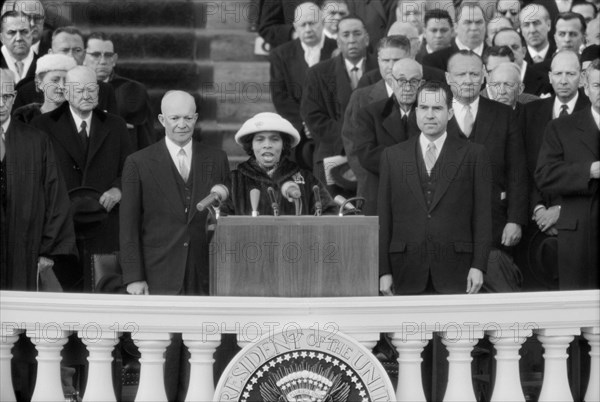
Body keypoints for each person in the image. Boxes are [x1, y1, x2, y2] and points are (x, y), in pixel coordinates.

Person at [120, 90, 229, 400]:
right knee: (162, 360)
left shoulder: (216, 158)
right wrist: (134, 276)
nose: (182, 124)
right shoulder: (138, 162)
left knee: (202, 356)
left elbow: (224, 216)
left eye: (188, 118)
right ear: (161, 120)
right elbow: (128, 226)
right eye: (175, 118)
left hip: (203, 272)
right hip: (157, 273)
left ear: (196, 118)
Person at [378, 80, 492, 295]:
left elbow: (483, 216)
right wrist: (383, 271)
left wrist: (479, 265)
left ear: (449, 113)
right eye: (424, 108)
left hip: (458, 269)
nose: (430, 115)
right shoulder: (392, 156)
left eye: (437, 108)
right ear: (416, 111)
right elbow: (384, 217)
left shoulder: (474, 155)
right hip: (405, 268)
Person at [32, 66, 132, 291]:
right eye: (78, 90)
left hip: (104, 224)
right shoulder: (43, 126)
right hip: (62, 227)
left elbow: (130, 169)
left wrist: (118, 189)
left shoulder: (115, 125)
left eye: (91, 89)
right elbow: (35, 179)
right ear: (66, 93)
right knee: (65, 301)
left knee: (104, 294)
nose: (86, 95)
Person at [0, 67, 76, 291]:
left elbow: (55, 198)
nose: (1, 104)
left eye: (5, 97)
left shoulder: (36, 141)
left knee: (21, 321)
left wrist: (47, 251)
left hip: (25, 251)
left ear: (14, 97)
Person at [445, 50, 528, 251]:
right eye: (460, 74)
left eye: (473, 74)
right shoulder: (432, 113)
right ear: (448, 77)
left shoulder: (504, 115)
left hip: (495, 224)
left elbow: (517, 171)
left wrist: (515, 220)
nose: (468, 80)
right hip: (444, 225)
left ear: (484, 76)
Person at [534, 58, 599, 290]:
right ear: (586, 87)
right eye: (597, 85)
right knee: (577, 311)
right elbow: (545, 174)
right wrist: (589, 171)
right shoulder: (562, 127)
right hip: (578, 234)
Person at [301, 15, 377, 192]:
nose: (351, 40)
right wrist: (348, 141)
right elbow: (312, 116)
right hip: (332, 152)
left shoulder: (381, 71)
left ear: (366, 38)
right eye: (346, 35)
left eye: (357, 34)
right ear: (338, 41)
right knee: (332, 213)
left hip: (373, 153)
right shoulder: (317, 73)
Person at [342, 35, 411, 207]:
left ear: (410, 60)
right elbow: (352, 145)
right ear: (378, 61)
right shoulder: (361, 97)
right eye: (385, 60)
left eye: (396, 60)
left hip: (415, 188)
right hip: (374, 186)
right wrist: (370, 177)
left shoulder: (425, 95)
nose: (390, 66)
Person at [269, 2, 337, 168]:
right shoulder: (281, 55)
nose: (307, 29)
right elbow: (280, 96)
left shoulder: (337, 50)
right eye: (302, 25)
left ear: (322, 22)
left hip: (331, 131)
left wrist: (320, 124)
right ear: (295, 27)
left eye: (312, 23)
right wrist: (305, 123)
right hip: (297, 131)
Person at [227, 112, 336, 216]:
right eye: (260, 139)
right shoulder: (234, 180)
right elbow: (219, 220)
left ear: (284, 144)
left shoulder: (307, 179)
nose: (267, 145)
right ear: (251, 145)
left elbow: (329, 213)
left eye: (274, 139)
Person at [352, 58, 423, 215]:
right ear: (391, 82)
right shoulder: (370, 113)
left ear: (421, 84)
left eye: (414, 81)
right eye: (402, 81)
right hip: (381, 194)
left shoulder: (429, 113)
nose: (407, 87)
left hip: (421, 197)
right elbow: (366, 155)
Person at [12, 26, 118, 113]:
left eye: (77, 50)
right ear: (50, 53)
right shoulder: (26, 90)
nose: (71, 56)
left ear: (84, 54)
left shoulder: (103, 90)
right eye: (65, 50)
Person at [83, 31, 156, 151]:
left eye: (108, 55)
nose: (102, 61)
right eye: (96, 55)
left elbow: (146, 139)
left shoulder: (134, 90)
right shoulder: (72, 88)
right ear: (83, 57)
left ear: (114, 59)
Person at [422, 2, 488, 71]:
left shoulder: (498, 57)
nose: (474, 28)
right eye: (468, 22)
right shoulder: (433, 61)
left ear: (485, 25)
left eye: (479, 22)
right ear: (456, 27)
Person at [12, 53, 76, 123]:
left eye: (66, 80)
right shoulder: (24, 116)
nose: (62, 86)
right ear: (39, 83)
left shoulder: (78, 115)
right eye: (55, 80)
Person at [493, 27, 552, 95]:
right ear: (494, 54)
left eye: (515, 47)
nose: (511, 52)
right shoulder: (486, 84)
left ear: (523, 52)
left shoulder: (546, 82)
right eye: (504, 49)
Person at [0, 11, 36, 87]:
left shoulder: (43, 66)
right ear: (2, 38)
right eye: (11, 32)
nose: (19, 38)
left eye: (24, 32)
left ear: (32, 35)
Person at [519, 3, 555, 68]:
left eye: (536, 23)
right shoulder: (517, 58)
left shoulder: (559, 54)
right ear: (521, 29)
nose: (532, 30)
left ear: (548, 25)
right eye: (526, 25)